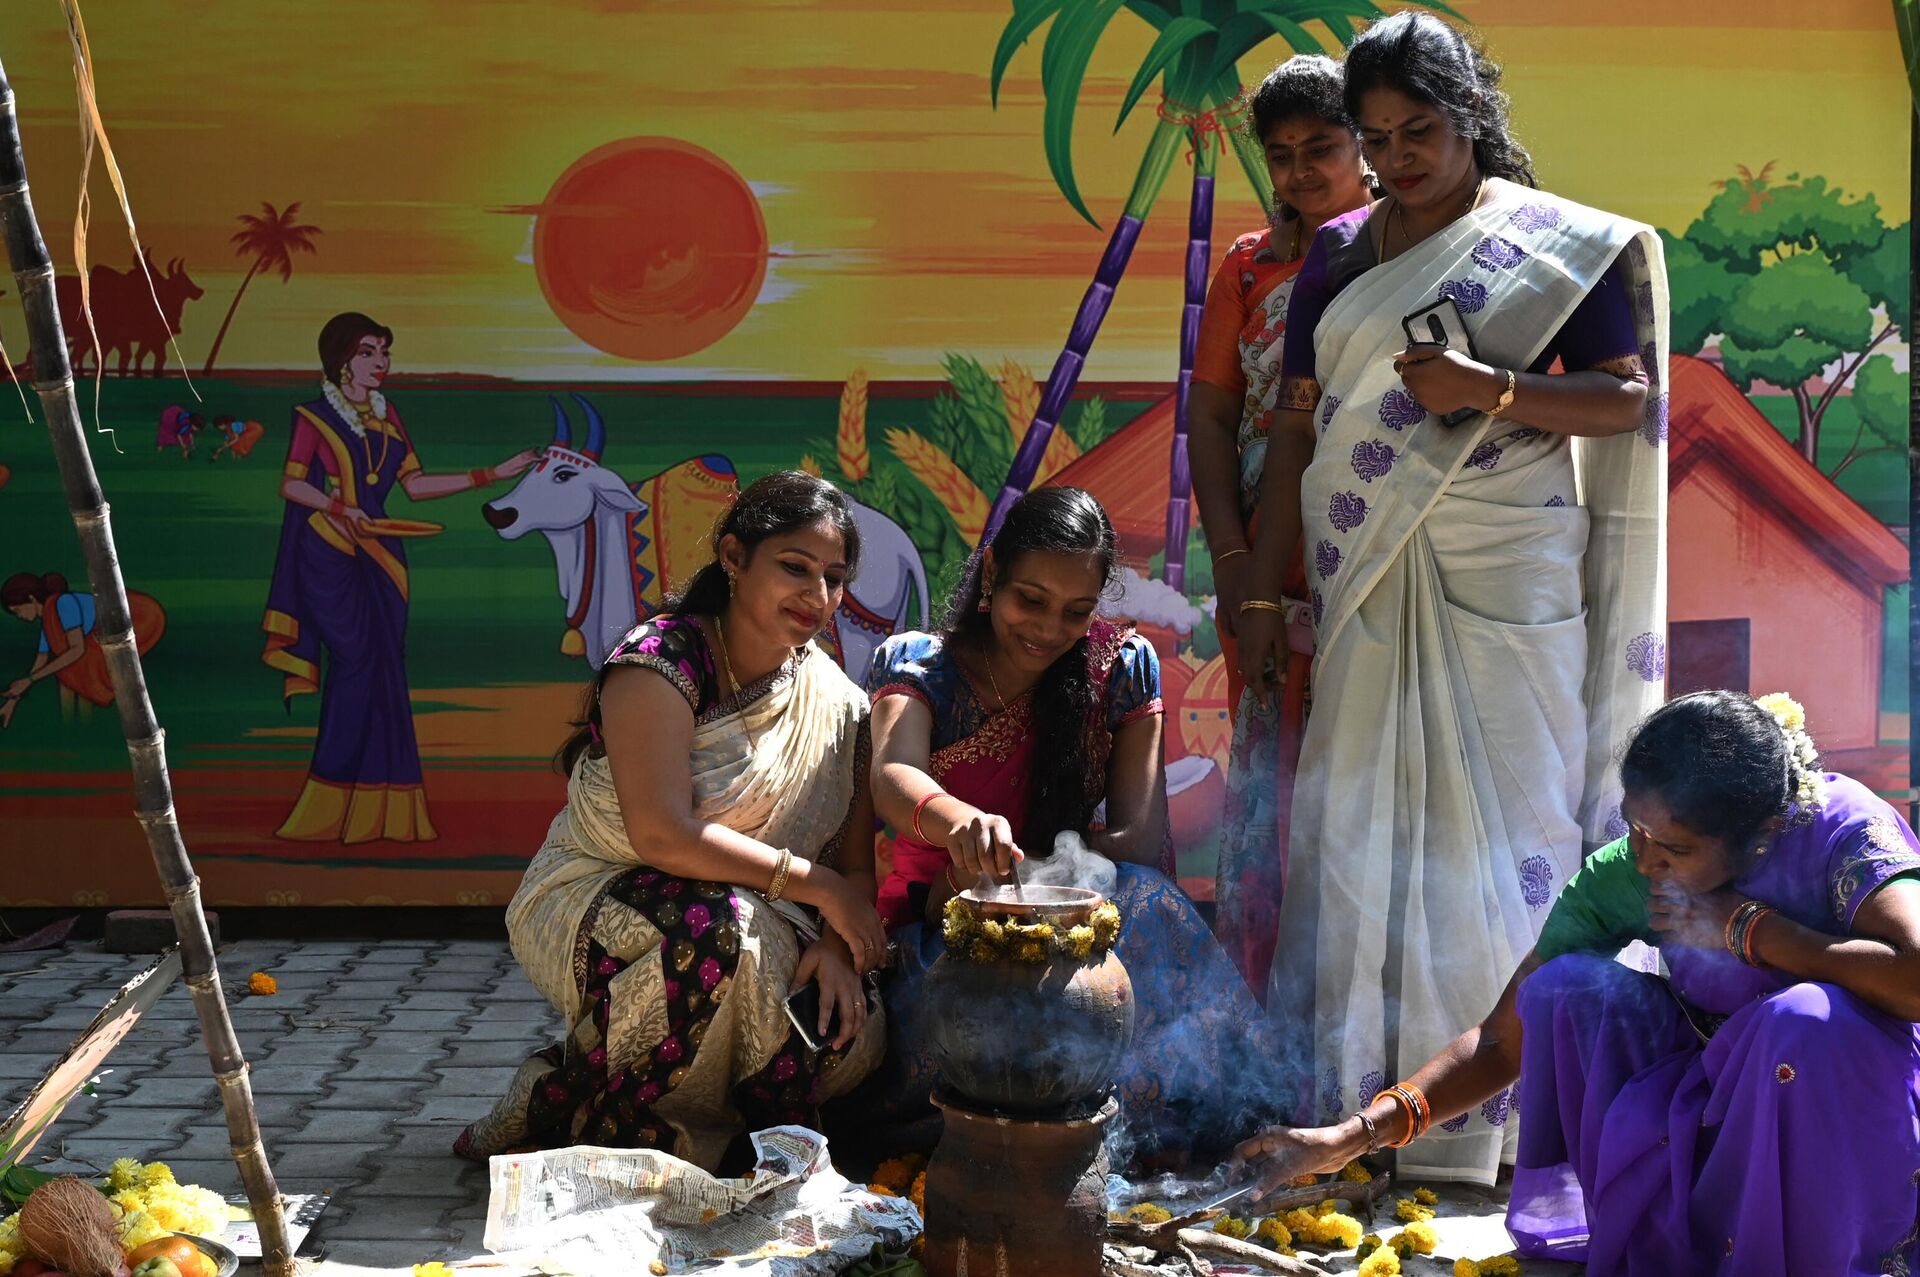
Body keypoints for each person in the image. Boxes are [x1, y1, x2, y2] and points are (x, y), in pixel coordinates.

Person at [1232, 12, 1669, 1181]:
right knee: (1358, 829)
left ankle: (1502, 1130)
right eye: (1374, 137)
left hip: (1507, 575)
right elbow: (1292, 440)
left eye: (1419, 129)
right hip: (1367, 581)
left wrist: (1495, 388)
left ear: (1472, 113)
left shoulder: (1549, 249)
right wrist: (1263, 602)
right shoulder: (1337, 257)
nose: (1396, 158)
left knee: (1506, 841)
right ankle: (1353, 1121)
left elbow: (1628, 405)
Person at [1231, 691, 1920, 1277]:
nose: (1645, 858)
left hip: (1847, 1115)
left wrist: (1756, 932)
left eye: (1673, 848)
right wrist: (1350, 1137)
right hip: (1717, 1106)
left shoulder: (1840, 829)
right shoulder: (1631, 872)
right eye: (1636, 827)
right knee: (1566, 991)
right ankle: (1685, 1237)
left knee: (1798, 1020)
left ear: (1763, 831)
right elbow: (1504, 1039)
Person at [459, 472, 890, 1170]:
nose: (817, 596)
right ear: (731, 556)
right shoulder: (657, 664)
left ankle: (743, 1141)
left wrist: (839, 945)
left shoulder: (837, 704)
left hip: (772, 906)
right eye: (794, 567)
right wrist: (818, 888)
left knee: (842, 1021)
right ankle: (609, 1123)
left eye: (835, 577)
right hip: (598, 890)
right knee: (718, 938)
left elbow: (853, 865)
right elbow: (662, 834)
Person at [860, 487, 1290, 1161]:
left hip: (1076, 921)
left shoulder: (1118, 667)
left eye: (1076, 610)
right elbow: (892, 777)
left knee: (1143, 896)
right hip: (944, 929)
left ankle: (1236, 1124)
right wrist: (962, 825)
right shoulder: (920, 665)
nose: (1048, 628)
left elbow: (1137, 839)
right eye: (1029, 599)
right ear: (992, 571)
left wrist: (1030, 878)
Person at [1186, 54, 1377, 993]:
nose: (1302, 172)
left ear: (1366, 149)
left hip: (1380, 559)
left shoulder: (1403, 252)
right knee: (1274, 794)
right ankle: (1266, 1022)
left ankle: (1361, 1017)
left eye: (1323, 148)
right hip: (1268, 562)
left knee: (1362, 793)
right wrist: (1240, 571)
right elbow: (1215, 417)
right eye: (1283, 154)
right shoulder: (1249, 267)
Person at [260, 312, 535, 844]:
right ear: (342, 359)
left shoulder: (389, 418)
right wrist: (340, 507)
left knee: (386, 668)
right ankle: (327, 800)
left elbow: (415, 486)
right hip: (330, 553)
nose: (380, 363)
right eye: (368, 352)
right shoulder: (314, 417)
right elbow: (293, 486)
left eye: (384, 352)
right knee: (357, 662)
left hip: (384, 554)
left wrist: (490, 475)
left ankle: (380, 811)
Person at [1, 571, 165, 729]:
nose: (19, 616)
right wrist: (13, 700)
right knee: (68, 671)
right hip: (101, 638)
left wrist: (30, 680)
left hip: (139, 619)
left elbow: (77, 650)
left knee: (70, 670)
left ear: (31, 598)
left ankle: (81, 727)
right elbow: (40, 661)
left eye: (17, 610)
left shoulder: (63, 603)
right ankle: (74, 727)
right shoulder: (48, 622)